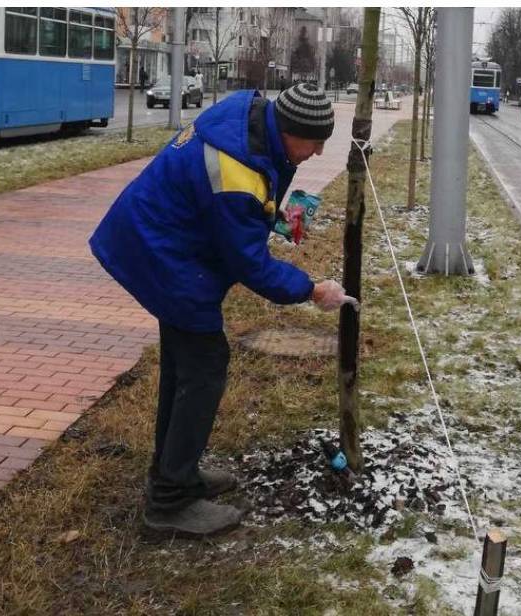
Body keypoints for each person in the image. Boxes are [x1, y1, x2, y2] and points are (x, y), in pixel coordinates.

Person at [89, 84, 354, 535]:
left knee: (185, 364)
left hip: (162, 238)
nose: (317, 152)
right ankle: (169, 503)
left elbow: (235, 201)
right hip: (164, 253)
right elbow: (248, 263)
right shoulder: (237, 170)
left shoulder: (247, 116)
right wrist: (311, 290)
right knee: (205, 364)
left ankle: (175, 473)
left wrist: (268, 214)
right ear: (288, 130)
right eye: (314, 142)